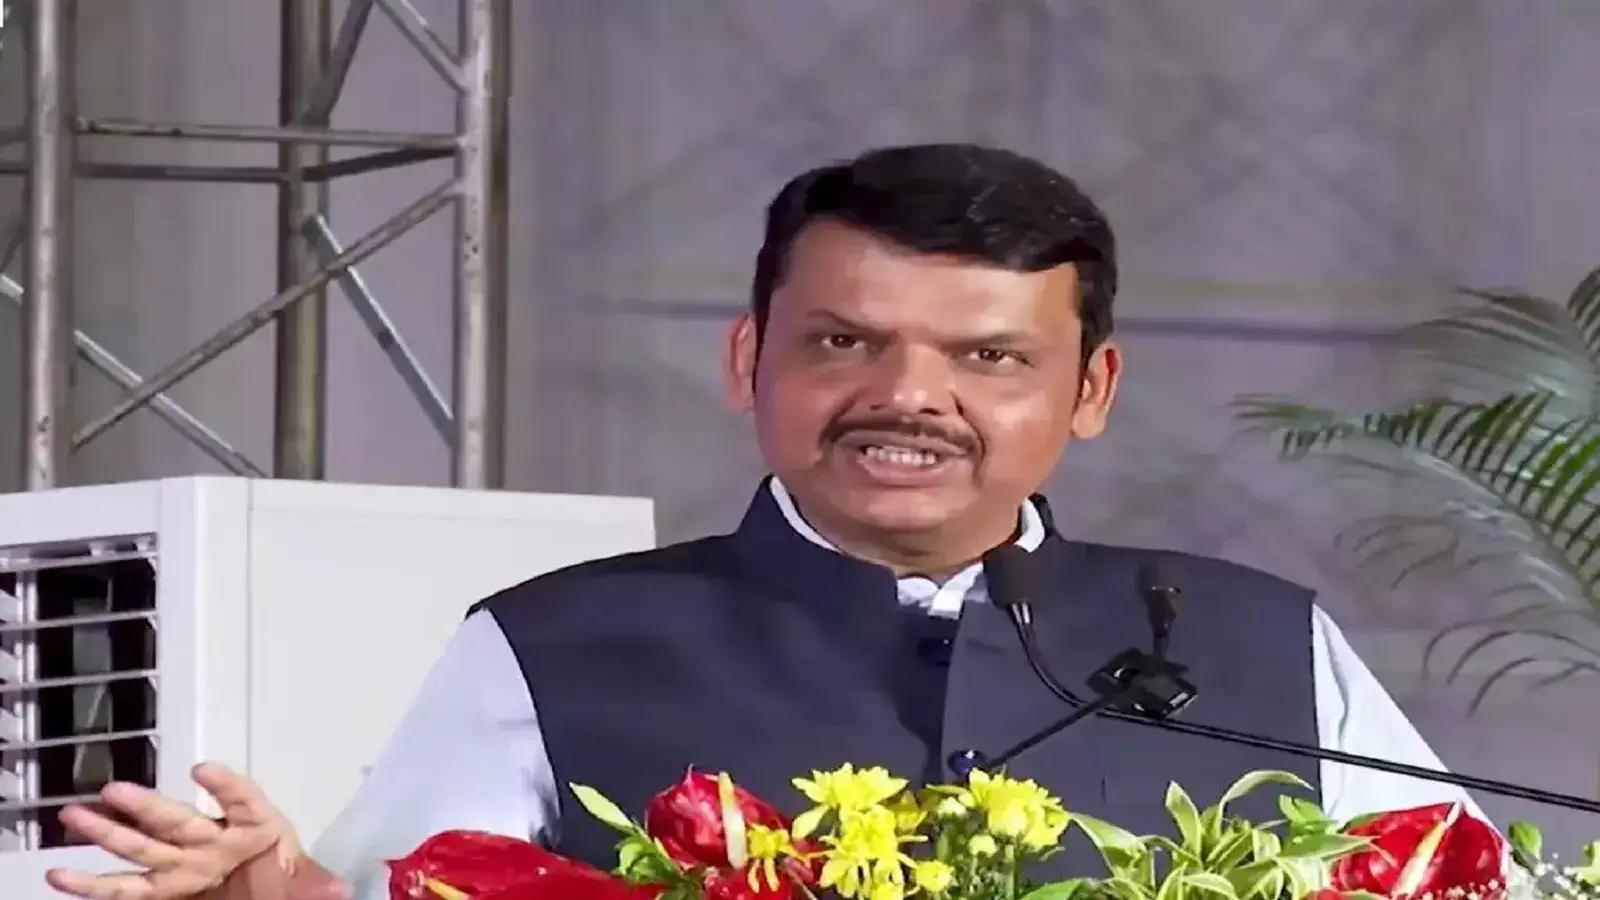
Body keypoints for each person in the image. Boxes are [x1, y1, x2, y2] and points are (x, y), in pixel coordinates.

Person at [45, 144, 1477, 900]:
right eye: (844, 343)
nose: (906, 398)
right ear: (750, 360)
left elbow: (1464, 885)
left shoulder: (1256, 639)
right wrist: (277, 893)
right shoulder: (555, 646)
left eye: (987, 357)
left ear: (1089, 390)